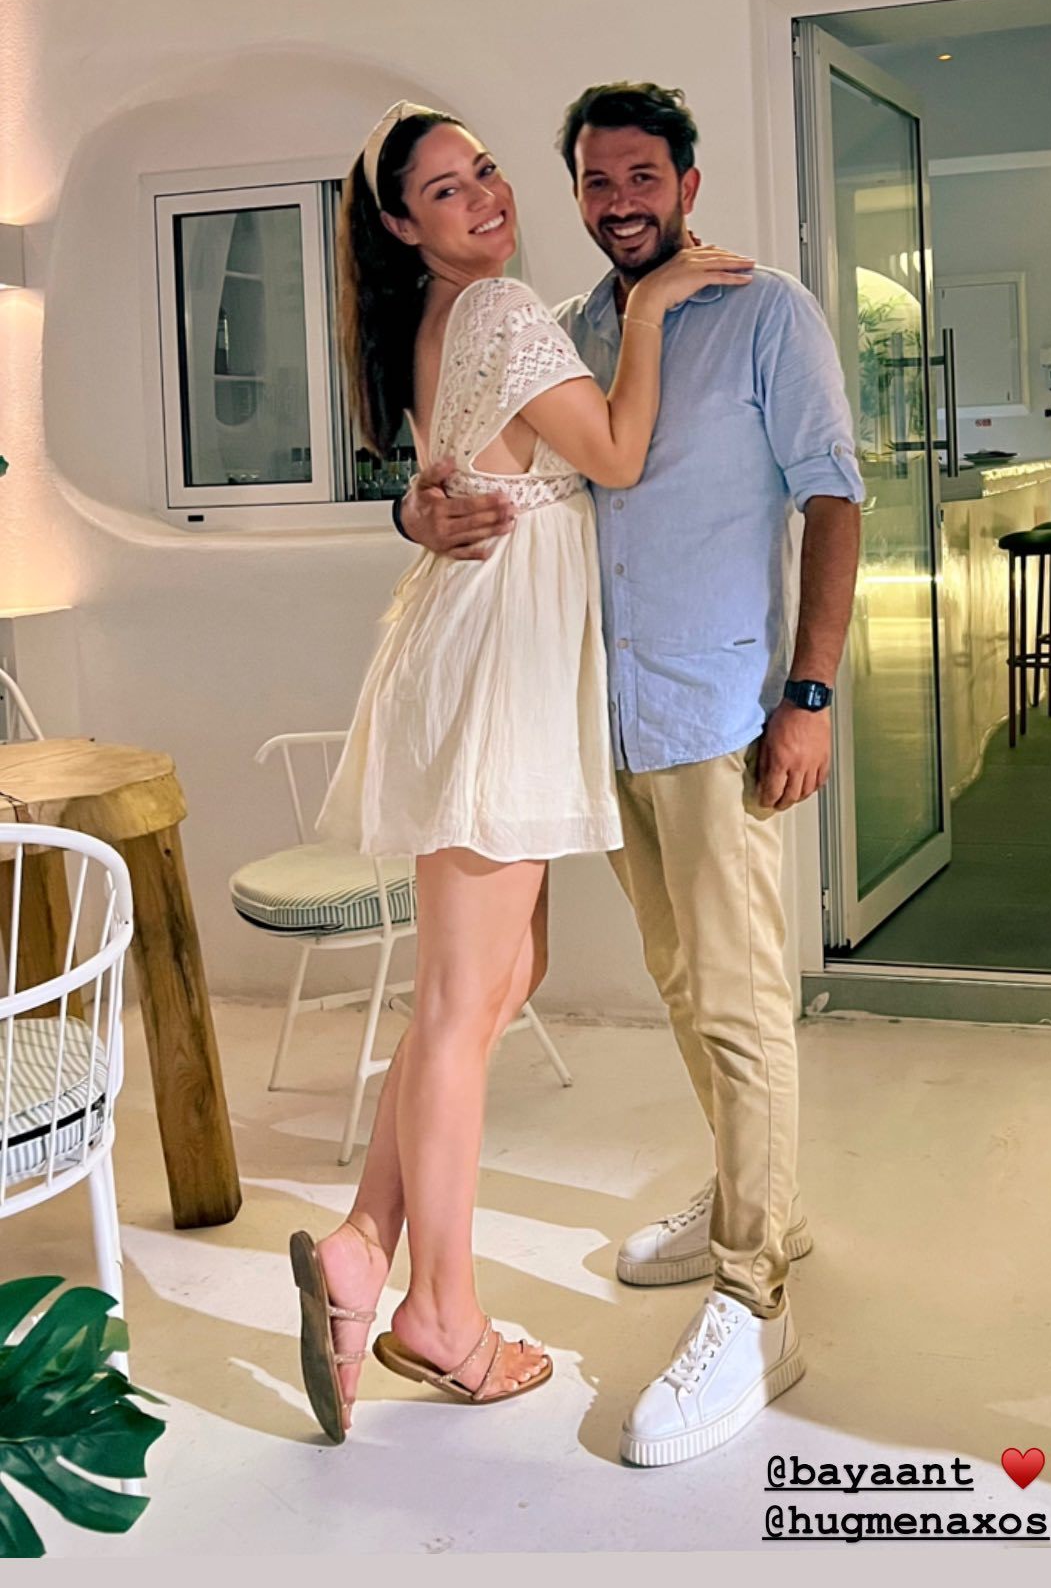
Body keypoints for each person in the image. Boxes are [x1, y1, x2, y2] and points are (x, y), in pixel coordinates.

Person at [396, 82, 863, 1466]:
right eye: (596, 181)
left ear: (688, 182)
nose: (618, 202)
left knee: (739, 1001)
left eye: (642, 175)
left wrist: (810, 693)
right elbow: (495, 471)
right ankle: (752, 1199)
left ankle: (754, 1298)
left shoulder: (767, 312)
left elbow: (834, 495)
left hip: (722, 711)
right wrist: (416, 504)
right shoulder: (571, 324)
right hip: (601, 717)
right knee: (681, 984)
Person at [288, 98, 753, 1442]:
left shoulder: (461, 315)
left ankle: (365, 1245)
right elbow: (615, 453)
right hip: (495, 669)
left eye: (485, 170)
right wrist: (653, 308)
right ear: (400, 225)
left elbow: (479, 470)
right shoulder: (497, 311)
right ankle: (441, 1315)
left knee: (503, 976)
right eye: (446, 189)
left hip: (485, 654)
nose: (485, 195)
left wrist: (415, 506)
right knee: (457, 1002)